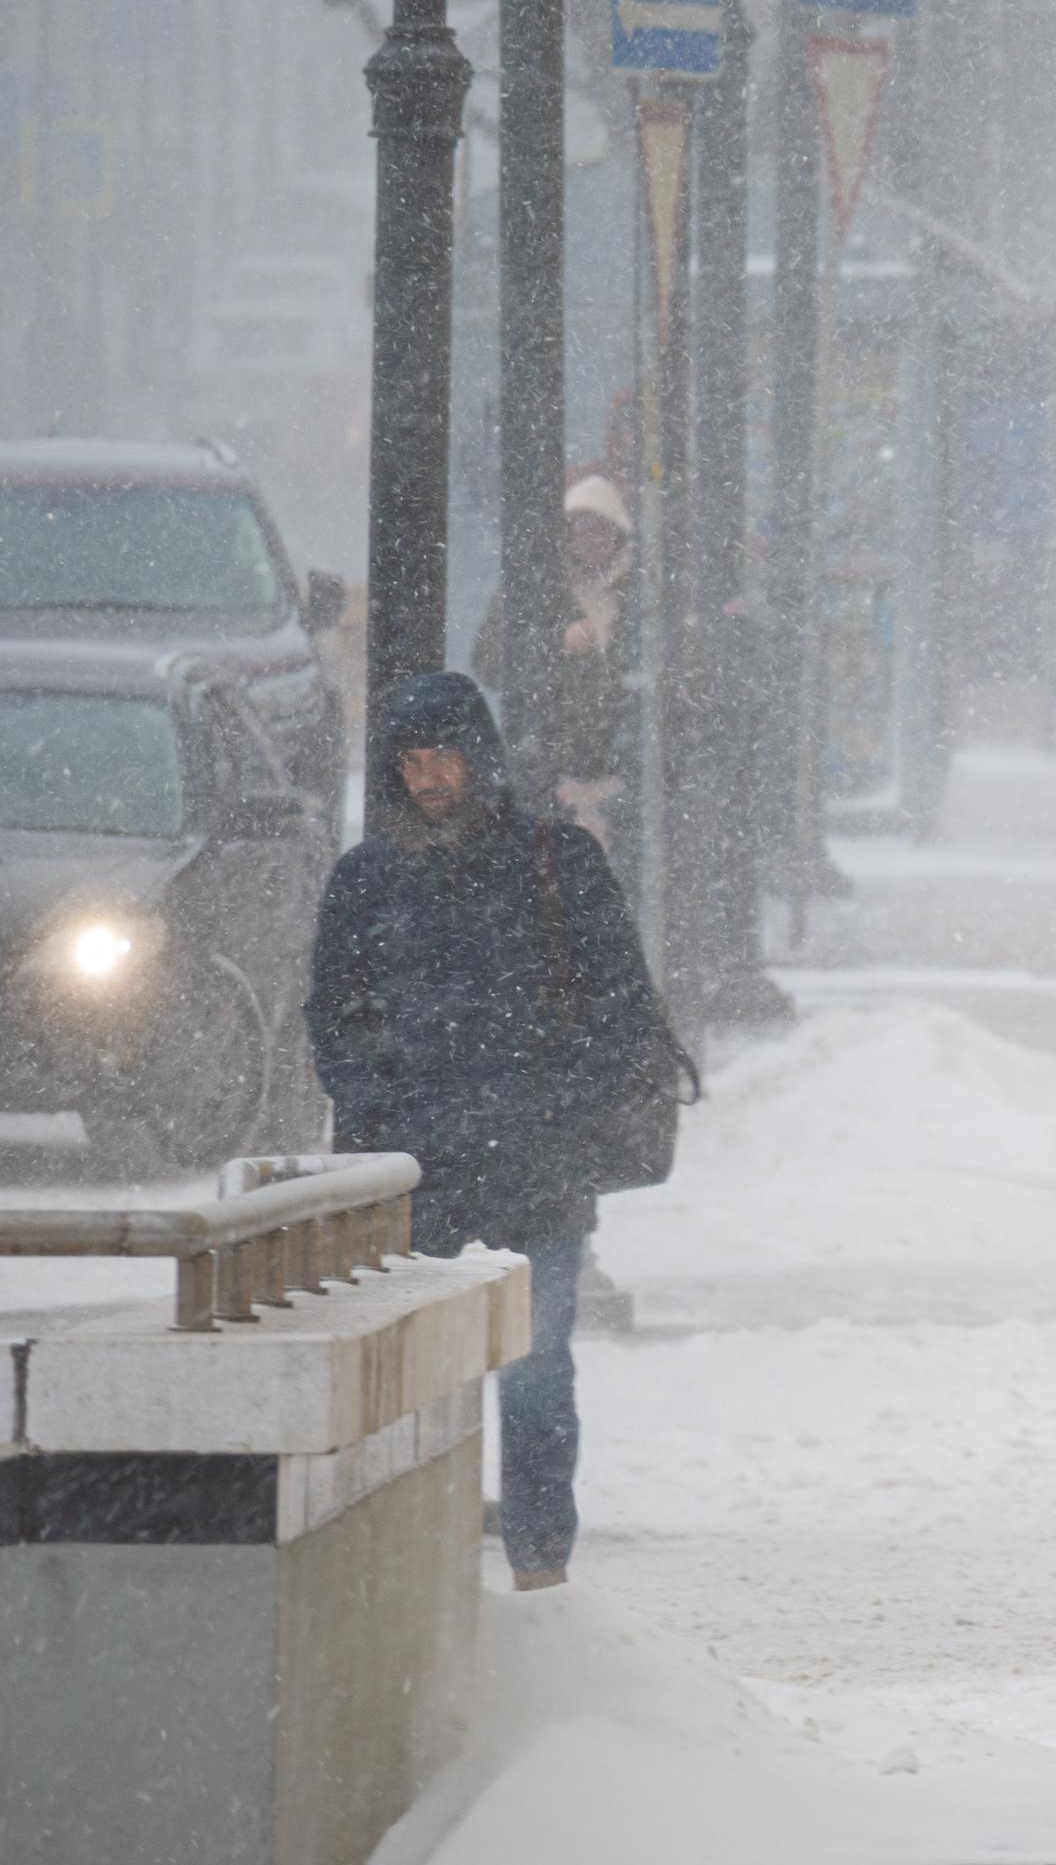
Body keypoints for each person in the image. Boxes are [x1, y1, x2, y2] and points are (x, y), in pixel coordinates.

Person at [305, 672, 668, 1594]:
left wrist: (544, 1109)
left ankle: (539, 1569)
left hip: (529, 1169)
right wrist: (386, 1115)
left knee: (532, 1375)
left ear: (481, 758)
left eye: (444, 757)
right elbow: (337, 1018)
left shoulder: (555, 860)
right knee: (416, 1384)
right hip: (417, 1173)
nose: (428, 779)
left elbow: (621, 1011)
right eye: (411, 762)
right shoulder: (368, 879)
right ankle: (418, 1573)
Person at [469, 473, 635, 850]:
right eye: (581, 527)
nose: (591, 538)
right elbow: (488, 661)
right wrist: (555, 644)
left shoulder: (642, 587)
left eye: (601, 527)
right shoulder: (532, 585)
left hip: (624, 775)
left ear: (618, 531)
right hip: (548, 771)